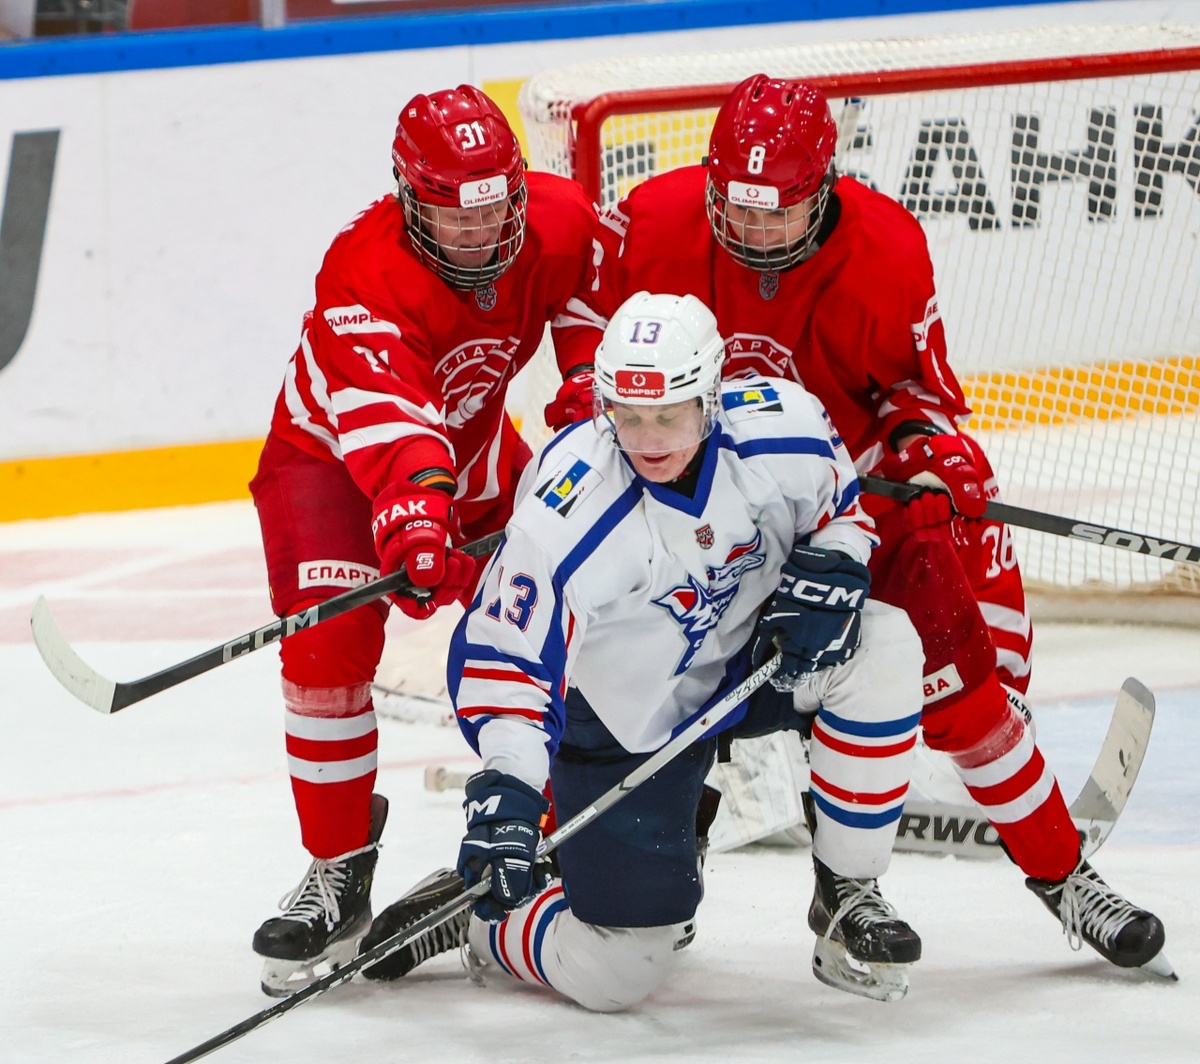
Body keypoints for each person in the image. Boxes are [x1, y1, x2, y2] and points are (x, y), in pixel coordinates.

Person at [542, 75, 1168, 975]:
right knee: (639, 693)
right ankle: (557, 867)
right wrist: (582, 398)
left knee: (963, 689)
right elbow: (591, 328)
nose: (752, 234)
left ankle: (1060, 876)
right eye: (737, 210)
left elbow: (916, 396)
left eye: (777, 216)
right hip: (691, 508)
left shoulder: (885, 250)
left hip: (852, 505)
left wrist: (929, 449)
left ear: (825, 192)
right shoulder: (652, 221)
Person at [359, 291, 927, 1006]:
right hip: (622, 721)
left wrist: (839, 563)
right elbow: (508, 660)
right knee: (618, 973)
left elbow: (839, 509)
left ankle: (847, 893)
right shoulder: (571, 506)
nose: (649, 439)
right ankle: (487, 922)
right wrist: (508, 789)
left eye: (669, 415)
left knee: (883, 645)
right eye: (628, 417)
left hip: (751, 666)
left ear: (711, 396)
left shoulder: (784, 428)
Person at [247, 84, 601, 996]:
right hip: (328, 463)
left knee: (561, 617)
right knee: (326, 648)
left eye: (497, 211)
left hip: (474, 450)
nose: (484, 235)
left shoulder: (557, 221)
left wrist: (583, 400)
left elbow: (597, 295)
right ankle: (336, 870)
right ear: (412, 201)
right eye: (458, 217)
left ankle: (547, 828)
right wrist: (414, 521)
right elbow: (391, 425)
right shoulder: (360, 276)